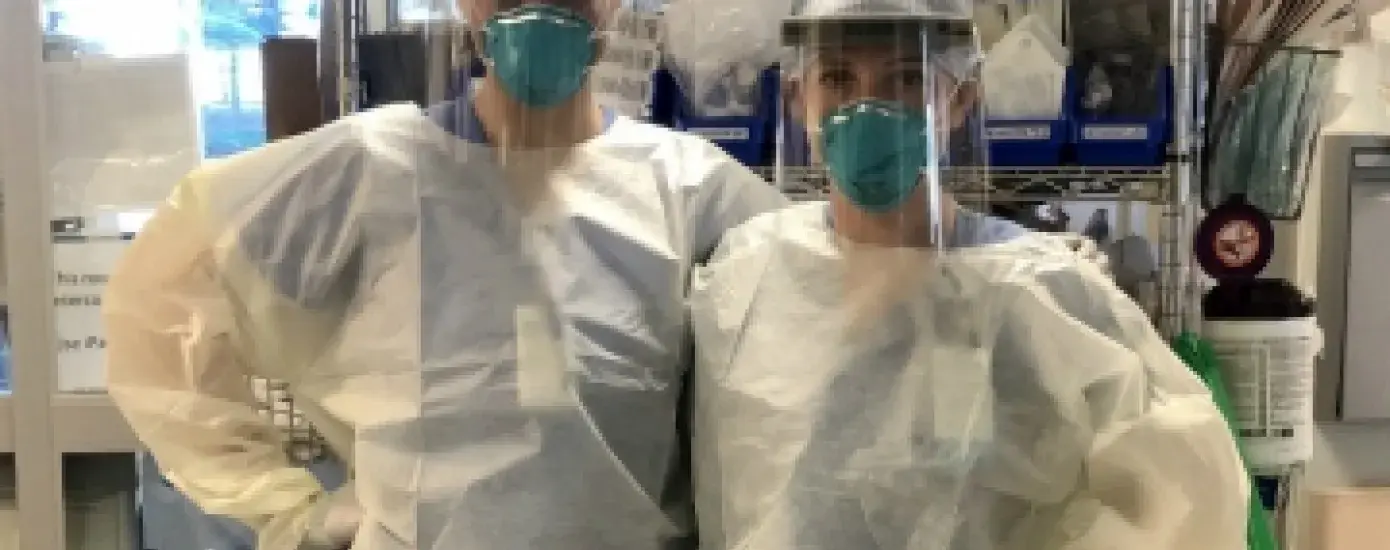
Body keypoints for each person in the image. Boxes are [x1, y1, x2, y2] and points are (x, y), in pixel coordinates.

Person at [102, 1, 787, 549]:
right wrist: (287, 510)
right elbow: (162, 311)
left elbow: (809, 361)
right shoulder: (362, 174)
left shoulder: (692, 192)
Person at [688, 3, 1250, 550]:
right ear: (795, 99)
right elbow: (726, 494)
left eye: (906, 79)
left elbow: (1188, 497)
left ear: (961, 99)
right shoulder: (750, 276)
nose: (868, 108)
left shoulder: (1041, 295)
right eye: (837, 77)